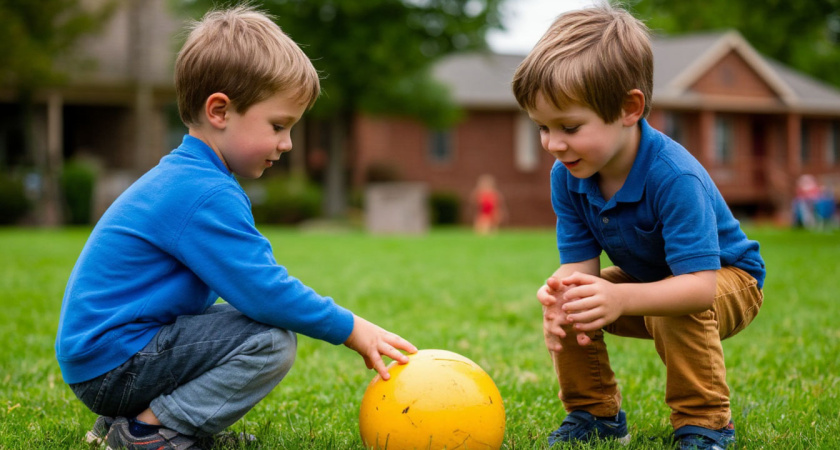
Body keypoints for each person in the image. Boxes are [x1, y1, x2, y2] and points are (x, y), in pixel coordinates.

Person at [55, 6, 416, 449]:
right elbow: (264, 291)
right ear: (220, 111)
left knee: (240, 323)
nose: (286, 144)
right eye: (278, 126)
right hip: (114, 364)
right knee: (269, 341)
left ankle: (122, 421)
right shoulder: (205, 193)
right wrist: (351, 328)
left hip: (102, 358)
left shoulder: (186, 176)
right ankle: (152, 432)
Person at [511, 5, 765, 449]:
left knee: (673, 307)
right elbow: (579, 271)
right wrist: (560, 297)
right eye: (542, 127)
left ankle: (706, 424)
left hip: (727, 280)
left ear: (630, 108)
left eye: (569, 126)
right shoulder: (568, 174)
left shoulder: (673, 176)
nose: (553, 144)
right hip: (653, 280)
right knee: (570, 295)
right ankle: (595, 413)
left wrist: (622, 296)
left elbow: (698, 287)